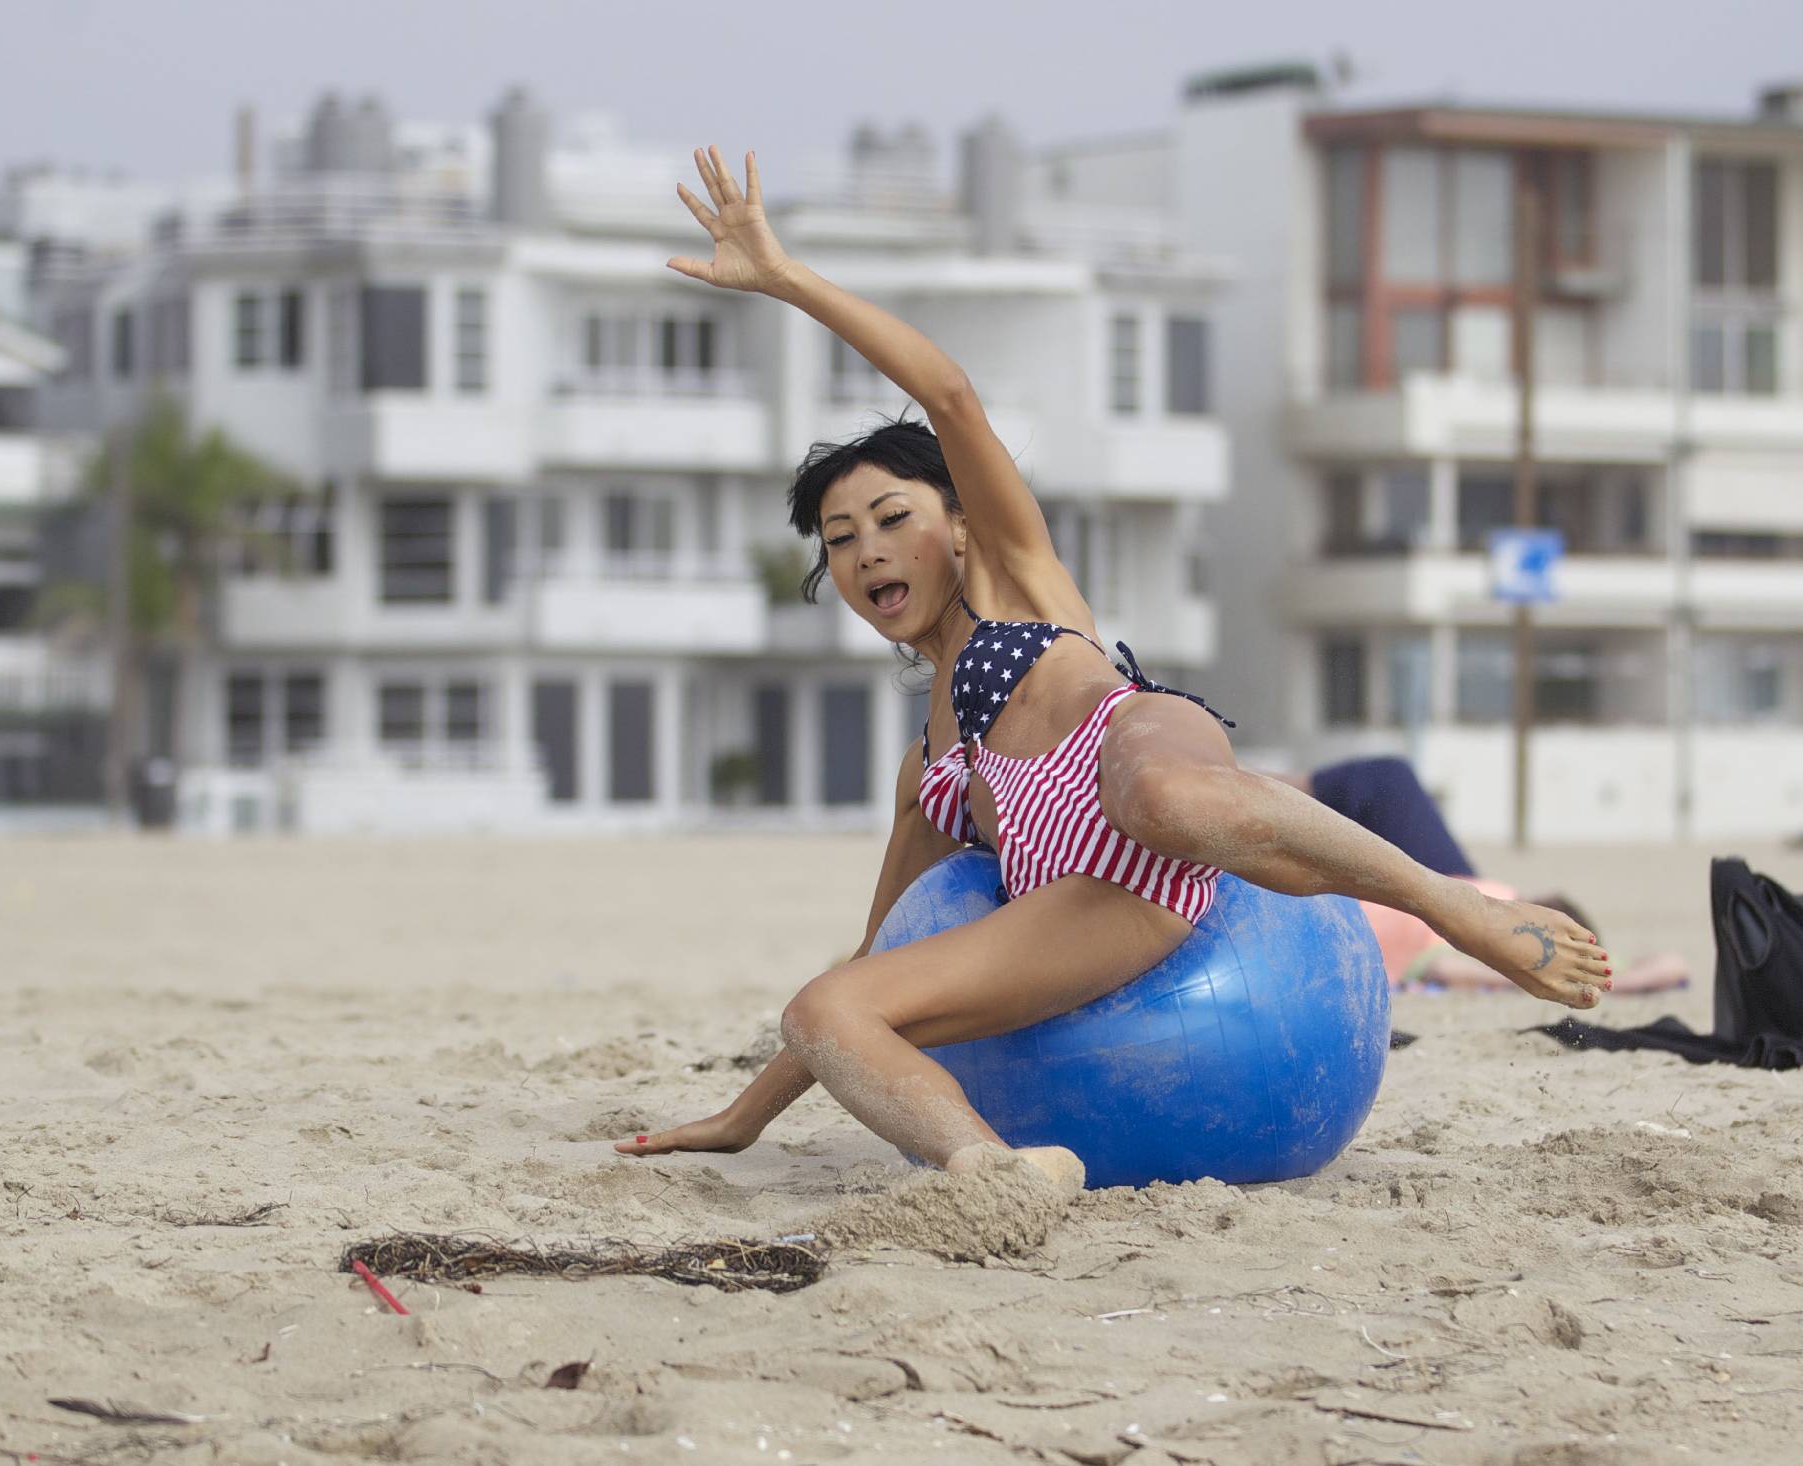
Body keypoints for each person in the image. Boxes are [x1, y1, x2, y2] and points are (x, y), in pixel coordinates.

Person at [616, 148, 1610, 1187]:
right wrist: (742, 1116)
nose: (868, 550)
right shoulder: (930, 771)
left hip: (1138, 752)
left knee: (1159, 793)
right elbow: (879, 954)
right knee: (826, 1006)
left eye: (893, 517)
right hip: (1105, 904)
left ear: (961, 526)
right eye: (840, 538)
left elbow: (947, 393)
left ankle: (1458, 908)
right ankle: (996, 1172)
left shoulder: (1013, 578)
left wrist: (788, 281)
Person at [1281, 758, 1689, 995]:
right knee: (1388, 778)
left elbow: (1443, 970)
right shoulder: (1545, 932)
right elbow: (1670, 964)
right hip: (1454, 886)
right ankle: (1251, 785)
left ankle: (1250, 789)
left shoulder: (1480, 949)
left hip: (1411, 903)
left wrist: (1532, 976)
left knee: (1385, 781)